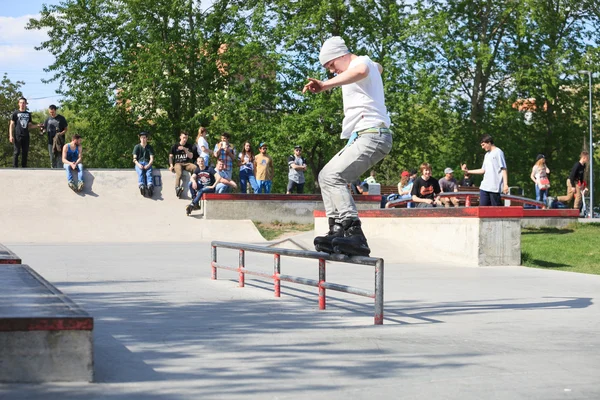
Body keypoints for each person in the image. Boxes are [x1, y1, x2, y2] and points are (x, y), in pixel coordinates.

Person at [303, 36, 392, 256]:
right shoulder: (368, 63)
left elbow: (361, 70)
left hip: (373, 134)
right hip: (361, 135)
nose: (333, 72)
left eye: (332, 65)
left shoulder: (360, 63)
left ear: (341, 55)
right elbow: (376, 68)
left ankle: (355, 234)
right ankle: (337, 229)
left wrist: (325, 85)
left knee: (334, 176)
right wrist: (376, 68)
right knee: (325, 176)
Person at [461, 134, 508, 206]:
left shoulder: (498, 152)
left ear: (489, 142)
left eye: (483, 145)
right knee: (483, 208)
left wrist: (505, 185)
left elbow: (504, 169)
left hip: (494, 187)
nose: (482, 147)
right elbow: (483, 170)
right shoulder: (487, 155)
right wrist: (468, 171)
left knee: (496, 210)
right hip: (484, 186)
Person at [9, 97, 38, 168]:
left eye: (24, 103)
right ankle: (14, 167)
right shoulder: (15, 113)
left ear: (26, 104)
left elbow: (30, 126)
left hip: (26, 135)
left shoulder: (28, 114)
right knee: (17, 152)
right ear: (18, 104)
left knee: (25, 152)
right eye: (21, 103)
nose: (22, 104)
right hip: (17, 135)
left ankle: (24, 167)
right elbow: (11, 124)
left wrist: (37, 125)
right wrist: (10, 135)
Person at [169, 131, 196, 198]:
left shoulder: (189, 146)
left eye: (186, 138)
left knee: (195, 167)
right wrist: (171, 165)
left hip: (186, 163)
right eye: (183, 138)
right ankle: (177, 188)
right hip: (178, 163)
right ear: (180, 137)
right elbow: (170, 157)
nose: (185, 139)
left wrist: (184, 149)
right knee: (179, 172)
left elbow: (191, 156)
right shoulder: (175, 146)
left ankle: (194, 184)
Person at [41, 104, 68, 168]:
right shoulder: (47, 119)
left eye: (53, 112)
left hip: (59, 141)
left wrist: (60, 134)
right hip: (50, 141)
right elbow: (44, 128)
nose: (51, 114)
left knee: (59, 156)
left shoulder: (61, 118)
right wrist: (42, 131)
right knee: (52, 156)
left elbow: (66, 129)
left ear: (55, 111)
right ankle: (53, 170)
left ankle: (60, 170)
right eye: (50, 112)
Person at [133, 132, 154, 197]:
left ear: (146, 139)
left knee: (149, 173)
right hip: (139, 162)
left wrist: (148, 165)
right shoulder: (137, 147)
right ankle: (141, 185)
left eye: (144, 138)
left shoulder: (149, 147)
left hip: (147, 162)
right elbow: (134, 159)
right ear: (140, 139)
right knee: (140, 172)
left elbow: (152, 158)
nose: (143, 139)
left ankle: (150, 185)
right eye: (142, 138)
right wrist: (138, 165)